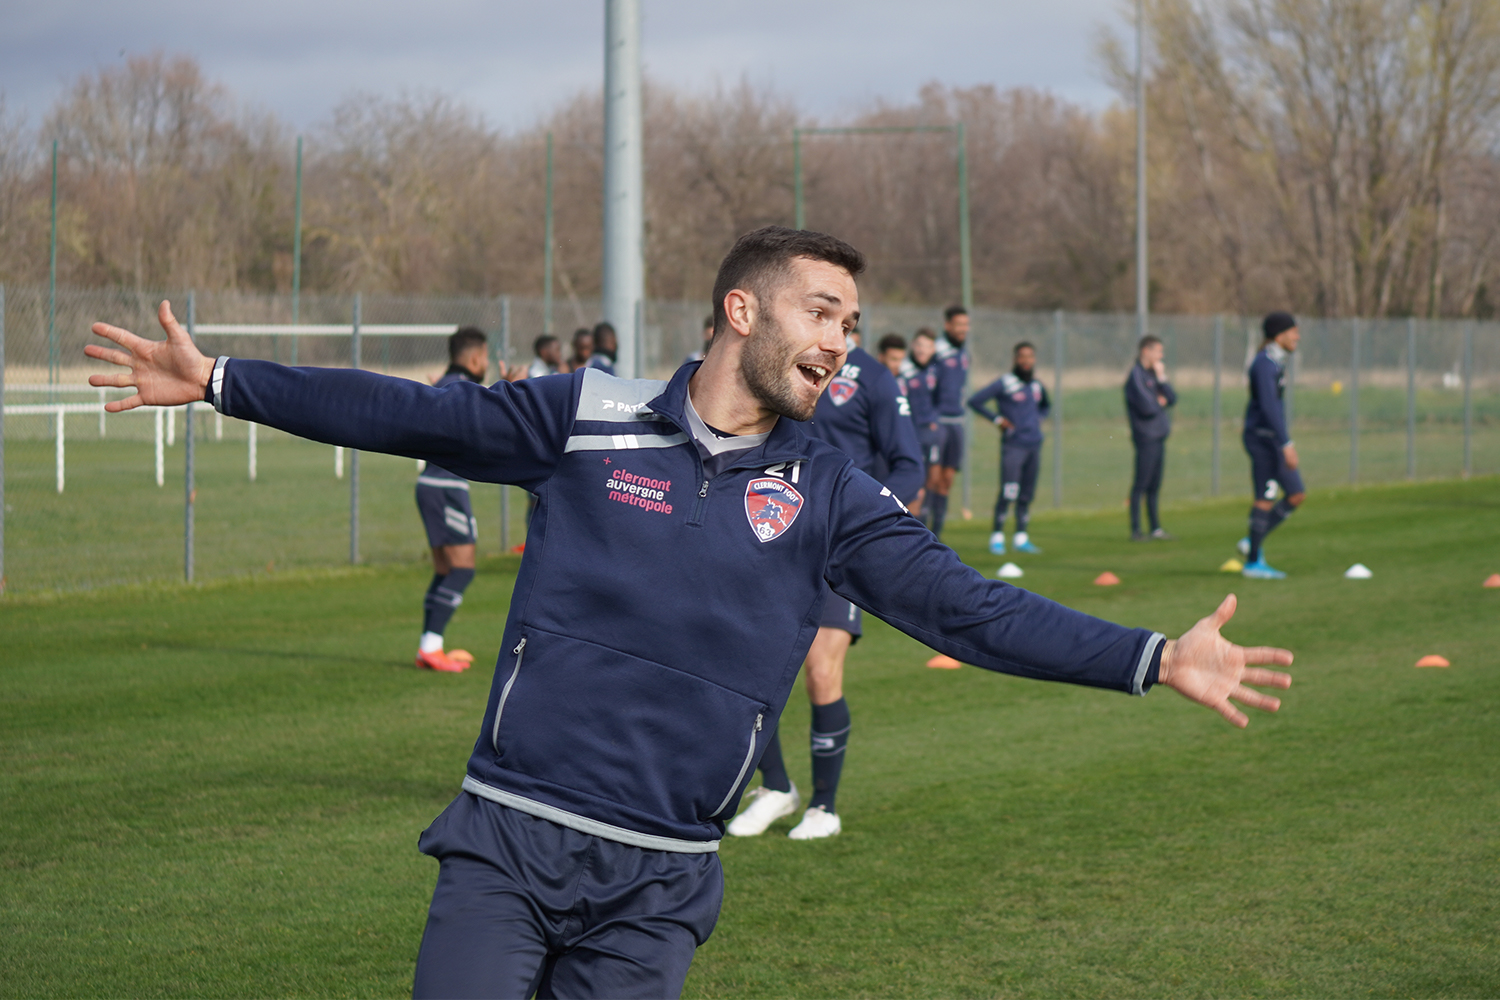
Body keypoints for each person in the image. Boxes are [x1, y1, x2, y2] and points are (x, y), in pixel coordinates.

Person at [87, 226, 1292, 1000]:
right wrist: (221, 383)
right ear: (742, 311)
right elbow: (412, 416)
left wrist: (1150, 657)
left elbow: (963, 610)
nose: (843, 343)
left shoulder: (832, 493)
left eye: (854, 327)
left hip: (658, 888)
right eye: (823, 312)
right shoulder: (586, 414)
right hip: (509, 838)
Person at [727, 324, 924, 841]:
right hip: (772, 536)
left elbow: (909, 466)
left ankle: (824, 806)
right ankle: (775, 787)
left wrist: (863, 518)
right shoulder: (782, 367)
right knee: (745, 668)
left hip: (836, 548)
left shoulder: (876, 380)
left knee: (821, 671)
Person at [412, 328, 489, 673]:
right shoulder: (465, 389)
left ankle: (431, 646)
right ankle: (430, 647)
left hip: (430, 484)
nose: (486, 364)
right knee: (462, 569)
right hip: (447, 487)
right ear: (475, 358)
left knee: (445, 570)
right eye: (486, 357)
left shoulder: (444, 382)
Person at [1239, 312, 1306, 579]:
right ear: (1279, 335)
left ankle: (1253, 540)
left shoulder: (1275, 362)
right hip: (1263, 439)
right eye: (1293, 332)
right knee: (1265, 498)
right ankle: (1253, 562)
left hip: (1271, 439)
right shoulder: (1264, 364)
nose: (1297, 337)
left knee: (1296, 494)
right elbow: (1268, 407)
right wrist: (1286, 443)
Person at [968, 342, 1049, 556]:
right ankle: (997, 537)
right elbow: (975, 401)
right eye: (1022, 356)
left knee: (1027, 494)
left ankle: (1021, 537)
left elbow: (1045, 406)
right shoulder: (1005, 383)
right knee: (1008, 491)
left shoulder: (1036, 385)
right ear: (1015, 359)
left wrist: (1037, 421)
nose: (1026, 361)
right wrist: (997, 420)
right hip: (1014, 446)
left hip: (1034, 445)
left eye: (1030, 357)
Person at [1124, 335, 1178, 541]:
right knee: (1141, 483)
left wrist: (1163, 379)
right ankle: (1136, 530)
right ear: (1146, 351)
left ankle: (1155, 528)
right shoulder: (1136, 376)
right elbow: (1147, 407)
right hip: (1145, 436)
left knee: (1155, 484)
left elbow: (1172, 398)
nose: (1161, 355)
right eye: (1158, 351)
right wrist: (1159, 401)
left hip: (1159, 435)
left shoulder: (1154, 374)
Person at [928, 305, 971, 538]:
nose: (963, 329)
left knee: (947, 480)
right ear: (948, 326)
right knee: (932, 480)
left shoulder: (964, 354)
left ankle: (938, 535)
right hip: (939, 423)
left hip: (957, 423)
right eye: (959, 324)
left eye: (966, 324)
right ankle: (923, 533)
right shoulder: (937, 352)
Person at [901, 328, 943, 531]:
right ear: (912, 346)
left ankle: (931, 534)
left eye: (926, 346)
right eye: (918, 345)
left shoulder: (933, 371)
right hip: (912, 436)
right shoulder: (904, 371)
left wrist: (934, 420)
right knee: (916, 488)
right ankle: (912, 533)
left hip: (931, 435)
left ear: (933, 349)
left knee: (932, 483)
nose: (921, 350)